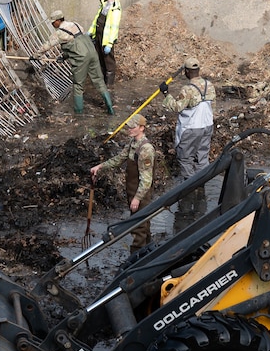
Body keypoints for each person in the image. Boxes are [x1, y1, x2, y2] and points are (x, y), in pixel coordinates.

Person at [90, 114, 161, 250]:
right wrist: (100, 167)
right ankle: (148, 251)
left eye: (133, 127)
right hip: (132, 190)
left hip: (141, 193)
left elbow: (146, 179)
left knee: (138, 226)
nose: (129, 130)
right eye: (128, 127)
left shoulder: (146, 150)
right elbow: (119, 159)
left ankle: (135, 258)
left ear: (141, 128)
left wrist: (137, 198)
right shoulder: (132, 143)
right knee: (142, 223)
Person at [164, 55, 219, 217]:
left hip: (191, 128)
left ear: (187, 72)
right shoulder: (210, 85)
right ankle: (201, 187)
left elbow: (176, 107)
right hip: (207, 126)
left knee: (185, 158)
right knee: (202, 158)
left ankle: (189, 189)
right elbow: (213, 107)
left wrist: (166, 94)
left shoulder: (187, 89)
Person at [49, 10, 113, 115]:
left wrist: (35, 56)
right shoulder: (76, 25)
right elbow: (75, 44)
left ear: (58, 20)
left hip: (81, 58)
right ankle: (110, 108)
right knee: (99, 81)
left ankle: (78, 114)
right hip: (92, 53)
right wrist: (64, 57)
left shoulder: (60, 32)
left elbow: (48, 45)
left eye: (53, 22)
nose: (52, 24)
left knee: (78, 86)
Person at [90, 0, 123, 86]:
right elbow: (96, 19)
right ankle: (101, 81)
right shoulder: (104, 3)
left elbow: (114, 27)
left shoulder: (115, 9)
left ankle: (109, 84)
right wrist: (91, 31)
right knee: (99, 58)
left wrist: (109, 43)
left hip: (106, 38)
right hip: (99, 34)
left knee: (108, 61)